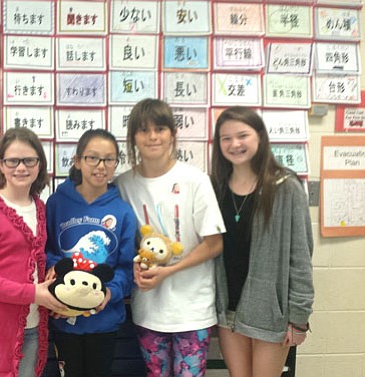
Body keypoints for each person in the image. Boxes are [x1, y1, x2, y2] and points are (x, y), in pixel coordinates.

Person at [114, 99, 225, 377]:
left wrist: (169, 270)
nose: (152, 137)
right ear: (133, 138)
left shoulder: (195, 180)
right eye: (143, 130)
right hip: (149, 309)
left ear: (172, 134)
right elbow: (122, 243)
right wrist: (135, 268)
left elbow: (214, 243)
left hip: (192, 308)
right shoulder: (123, 184)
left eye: (160, 129)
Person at [211, 106, 314, 377]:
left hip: (270, 313)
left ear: (259, 136)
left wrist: (299, 317)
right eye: (226, 138)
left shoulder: (285, 186)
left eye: (242, 135)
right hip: (228, 311)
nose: (234, 144)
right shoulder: (215, 187)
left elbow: (301, 256)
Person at [0, 127, 66, 377]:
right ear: (0, 164)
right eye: (13, 161)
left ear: (39, 164)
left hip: (33, 327)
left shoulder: (40, 208)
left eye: (29, 160)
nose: (21, 168)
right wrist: (31, 293)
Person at [45, 129, 137, 377]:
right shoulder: (56, 203)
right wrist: (53, 271)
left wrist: (111, 291)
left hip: (104, 320)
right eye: (92, 158)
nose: (101, 166)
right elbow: (45, 251)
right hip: (64, 318)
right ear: (77, 161)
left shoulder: (123, 212)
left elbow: (127, 269)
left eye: (109, 159)